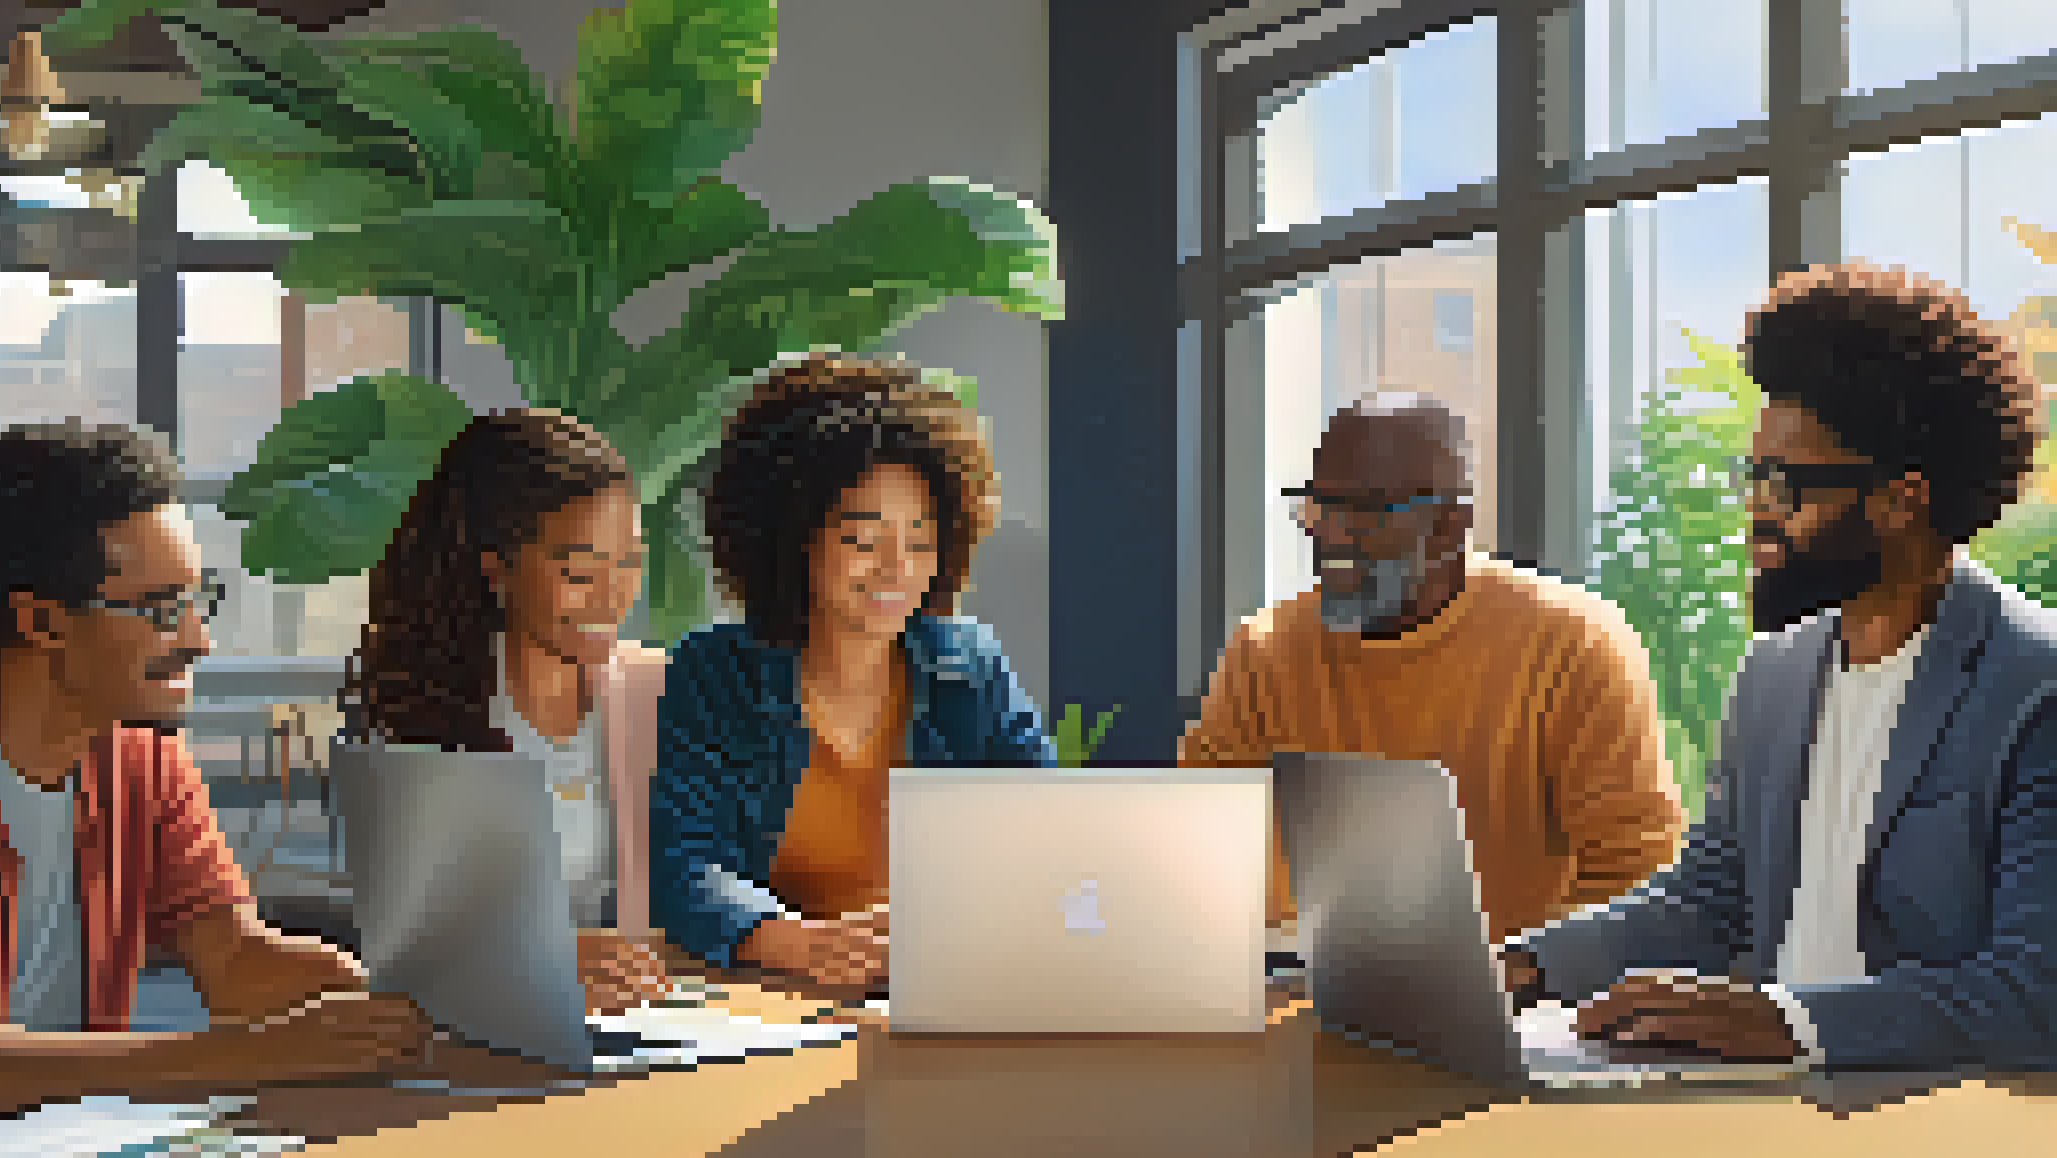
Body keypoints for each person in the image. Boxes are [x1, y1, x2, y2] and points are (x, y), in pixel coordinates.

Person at [0, 422, 431, 1122]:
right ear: (41, 621)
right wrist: (263, 1053)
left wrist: (369, 994)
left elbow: (233, 962)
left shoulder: (145, 763)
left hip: (57, 1150)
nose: (197, 638)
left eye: (198, 598)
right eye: (161, 610)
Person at [1502, 263, 2057, 1072]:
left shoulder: (2033, 689)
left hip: (1937, 1136)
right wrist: (1525, 966)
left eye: (1786, 485)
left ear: (1902, 500)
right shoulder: (1773, 676)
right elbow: (1709, 903)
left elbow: (2035, 993)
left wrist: (1793, 1022)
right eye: (1754, 475)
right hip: (1769, 1109)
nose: (1757, 510)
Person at [1179, 393, 1683, 946]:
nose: (1331, 536)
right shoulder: (1266, 649)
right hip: (1307, 990)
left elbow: (1636, 879)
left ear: (1449, 526)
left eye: (1366, 514)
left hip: (1522, 1008)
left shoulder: (1573, 644)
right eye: (1319, 506)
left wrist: (1524, 984)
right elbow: (1202, 847)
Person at [649, 354, 1055, 990]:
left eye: (920, 540)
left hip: (939, 991)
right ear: (793, 537)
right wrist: (789, 940)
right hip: (776, 1006)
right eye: (864, 541)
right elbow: (684, 866)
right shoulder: (714, 673)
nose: (898, 568)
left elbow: (1049, 832)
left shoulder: (969, 668)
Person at [341, 409, 673, 1016]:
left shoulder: (660, 693)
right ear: (497, 570)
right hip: (483, 1038)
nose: (611, 597)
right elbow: (407, 944)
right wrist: (537, 961)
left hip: (652, 1026)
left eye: (628, 564)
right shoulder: (420, 709)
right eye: (579, 572)